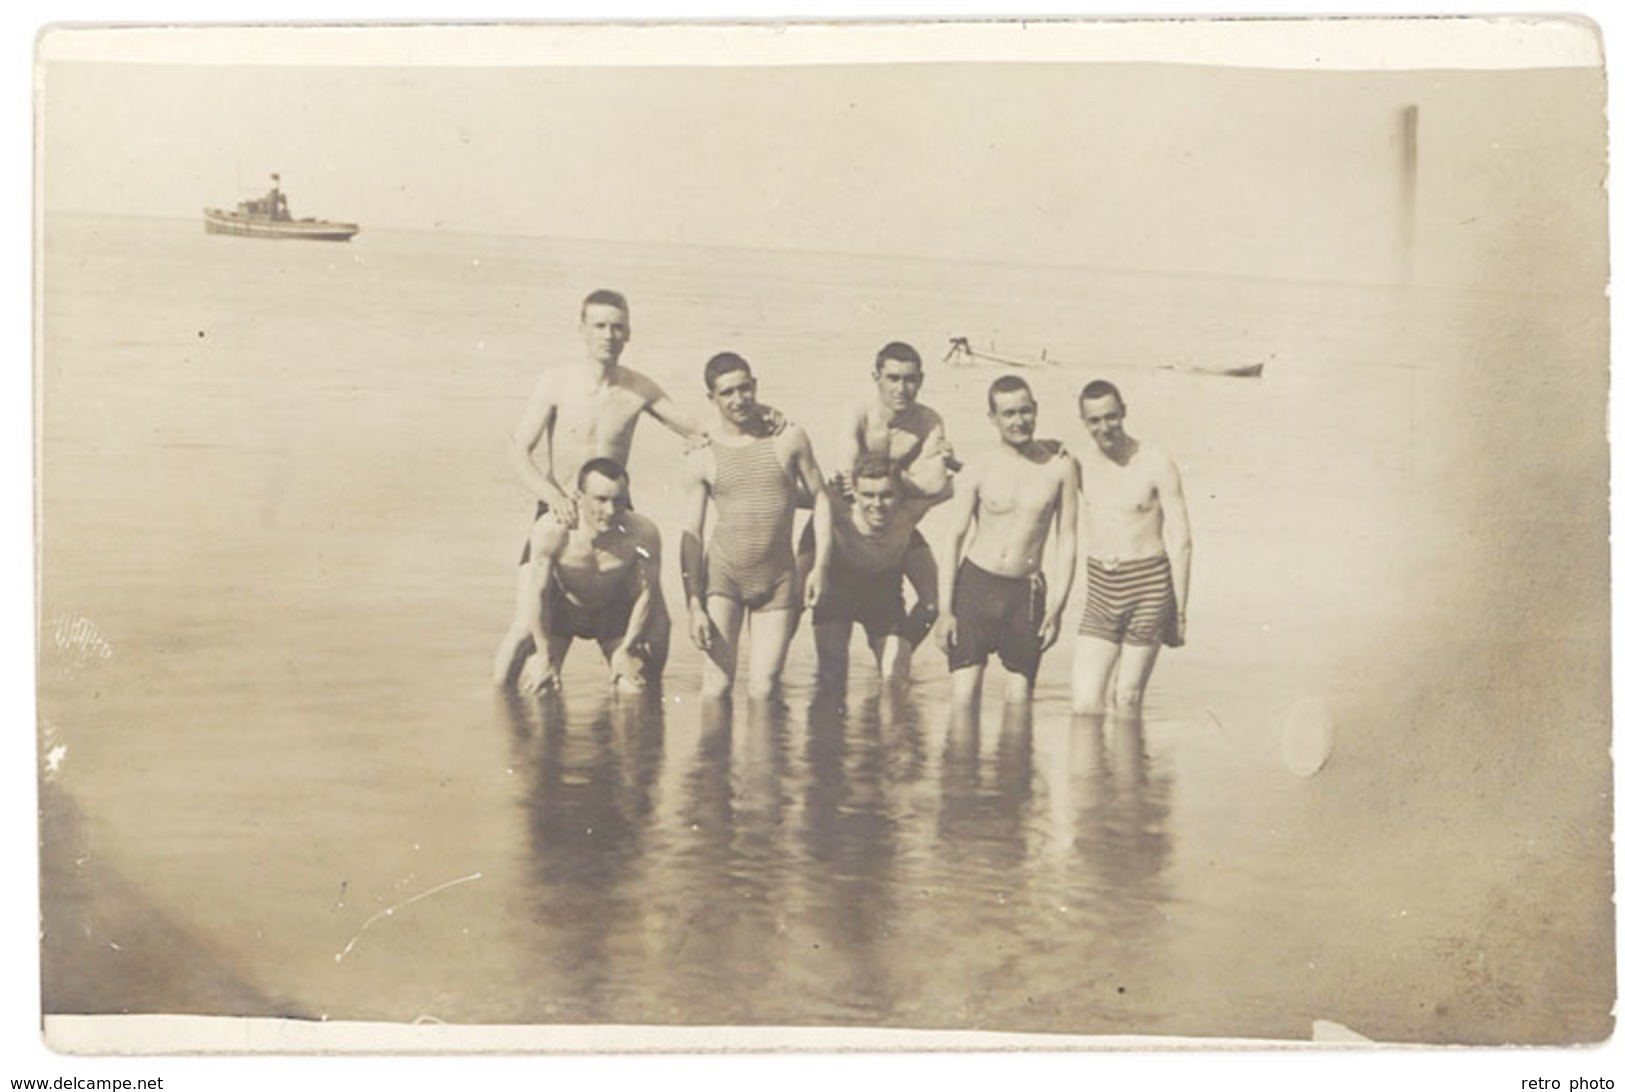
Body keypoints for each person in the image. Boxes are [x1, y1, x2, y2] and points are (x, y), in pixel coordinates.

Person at [494, 290, 781, 687]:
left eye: (617, 327)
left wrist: (762, 413)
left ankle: (648, 712)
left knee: (657, 622)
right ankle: (500, 700)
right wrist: (554, 497)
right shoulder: (556, 383)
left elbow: (696, 428)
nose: (609, 335)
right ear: (582, 329)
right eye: (599, 326)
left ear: (628, 333)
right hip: (561, 509)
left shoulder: (638, 388)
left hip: (615, 511)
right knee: (525, 626)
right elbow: (517, 452)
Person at [682, 352, 832, 701]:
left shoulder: (790, 438)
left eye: (745, 389)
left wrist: (820, 566)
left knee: (763, 691)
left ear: (756, 387)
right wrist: (693, 604)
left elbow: (821, 498)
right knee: (716, 687)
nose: (738, 400)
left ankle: (762, 758)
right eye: (727, 393)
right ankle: (712, 759)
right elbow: (691, 533)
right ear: (712, 398)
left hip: (777, 578)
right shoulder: (701, 453)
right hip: (724, 578)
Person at [936, 375, 1079, 706]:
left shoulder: (1060, 468)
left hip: (1025, 594)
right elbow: (953, 539)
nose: (1019, 421)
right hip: (975, 587)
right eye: (1009, 413)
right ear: (993, 419)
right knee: (963, 700)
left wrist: (1057, 608)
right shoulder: (977, 468)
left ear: (1036, 410)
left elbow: (1068, 540)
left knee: (1019, 707)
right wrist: (945, 609)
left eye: (1025, 411)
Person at [1070, 379, 1192, 714]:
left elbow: (1181, 541)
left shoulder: (1156, 462)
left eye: (1111, 417)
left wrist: (1179, 613)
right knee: (1084, 705)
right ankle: (1094, 768)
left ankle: (1130, 767)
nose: (1104, 427)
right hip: (1101, 590)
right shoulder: (1077, 465)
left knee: (1126, 698)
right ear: (1083, 422)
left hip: (1149, 588)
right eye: (1094, 420)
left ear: (1124, 412)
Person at [507, 458, 669, 695]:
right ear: (579, 497)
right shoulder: (550, 530)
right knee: (539, 688)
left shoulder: (644, 533)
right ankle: (500, 700)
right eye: (601, 500)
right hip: (564, 609)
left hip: (610, 610)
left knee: (633, 691)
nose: (610, 511)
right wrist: (544, 655)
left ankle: (650, 713)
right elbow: (538, 595)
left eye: (619, 501)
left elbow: (647, 596)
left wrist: (626, 649)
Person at [802, 453, 939, 691]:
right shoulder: (838, 508)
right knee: (832, 677)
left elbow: (958, 483)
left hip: (882, 587)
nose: (877, 504)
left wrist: (902, 644)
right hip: (838, 582)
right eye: (868, 495)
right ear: (854, 492)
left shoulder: (908, 511)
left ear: (899, 494)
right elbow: (778, 487)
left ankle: (897, 647)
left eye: (886, 495)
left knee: (894, 679)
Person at [830, 341, 957, 502]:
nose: (901, 389)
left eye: (909, 380)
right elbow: (846, 471)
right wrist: (905, 479)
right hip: (857, 504)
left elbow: (934, 484)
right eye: (893, 379)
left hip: (894, 507)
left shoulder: (928, 420)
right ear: (877, 378)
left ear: (920, 380)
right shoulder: (858, 413)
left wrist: (886, 478)